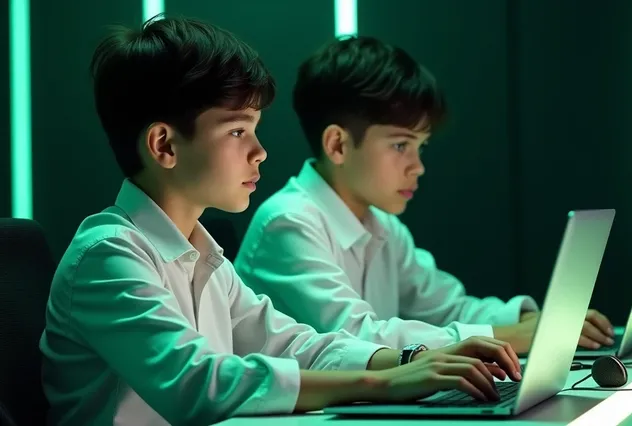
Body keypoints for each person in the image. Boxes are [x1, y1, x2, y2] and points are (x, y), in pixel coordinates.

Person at [38, 17, 523, 426]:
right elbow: (200, 383)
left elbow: (293, 343)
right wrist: (385, 382)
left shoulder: (204, 255)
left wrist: (410, 360)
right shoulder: (107, 255)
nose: (260, 152)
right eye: (237, 131)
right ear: (164, 145)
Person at [234, 35, 615, 354]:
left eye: (421, 146)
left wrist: (533, 322)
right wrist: (510, 338)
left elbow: (449, 307)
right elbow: (360, 339)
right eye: (401, 146)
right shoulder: (288, 222)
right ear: (337, 145)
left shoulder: (382, 224)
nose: (418, 166)